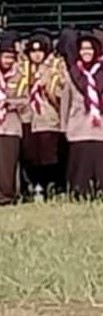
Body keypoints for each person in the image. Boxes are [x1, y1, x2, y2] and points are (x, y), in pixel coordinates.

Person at [60, 32, 103, 199]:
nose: (86, 52)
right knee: (81, 163)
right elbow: (66, 101)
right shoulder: (72, 73)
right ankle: (79, 193)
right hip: (79, 124)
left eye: (89, 49)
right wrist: (63, 125)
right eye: (82, 49)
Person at [21, 31, 65, 196]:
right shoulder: (23, 68)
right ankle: (35, 185)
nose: (37, 55)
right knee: (31, 155)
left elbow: (64, 89)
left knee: (49, 155)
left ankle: (50, 184)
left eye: (40, 51)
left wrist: (48, 88)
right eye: (33, 51)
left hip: (49, 118)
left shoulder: (56, 66)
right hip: (28, 118)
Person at [0, 32, 25, 205]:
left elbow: (26, 99)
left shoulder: (20, 75)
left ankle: (8, 195)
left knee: (8, 164)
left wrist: (10, 103)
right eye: (5, 57)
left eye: (11, 57)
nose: (8, 61)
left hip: (11, 124)